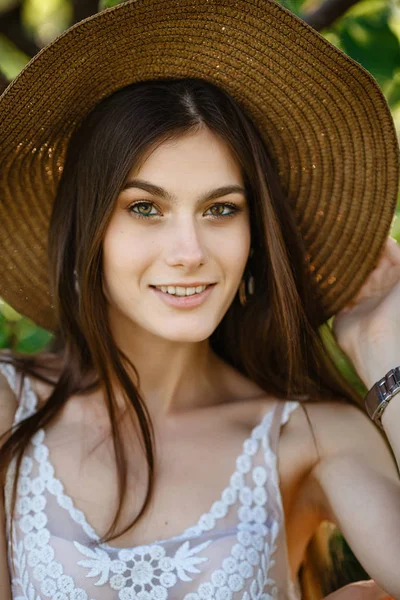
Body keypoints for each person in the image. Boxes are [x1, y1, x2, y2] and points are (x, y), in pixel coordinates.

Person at [0, 1, 399, 599]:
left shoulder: (312, 436)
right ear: (90, 230)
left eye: (221, 209)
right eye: (144, 208)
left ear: (254, 234)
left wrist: (382, 350)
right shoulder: (11, 409)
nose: (189, 251)